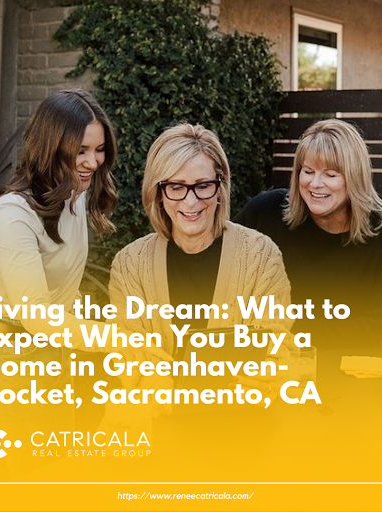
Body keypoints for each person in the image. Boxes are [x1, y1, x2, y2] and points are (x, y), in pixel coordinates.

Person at [0, 89, 167, 434]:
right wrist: (121, 340)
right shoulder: (13, 214)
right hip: (10, 367)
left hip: (55, 362)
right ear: (51, 146)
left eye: (99, 150)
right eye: (81, 150)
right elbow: (37, 315)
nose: (93, 161)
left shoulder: (74, 197)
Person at [109, 124, 295, 403]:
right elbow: (130, 362)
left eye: (203, 185)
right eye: (176, 187)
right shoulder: (130, 265)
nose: (191, 200)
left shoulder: (260, 256)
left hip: (241, 422)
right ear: (158, 192)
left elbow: (275, 349)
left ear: (220, 188)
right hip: (160, 424)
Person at [234, 119, 382, 348]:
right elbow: (220, 269)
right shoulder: (265, 212)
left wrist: (293, 337)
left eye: (330, 175)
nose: (315, 184)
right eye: (308, 171)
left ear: (355, 177)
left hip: (345, 367)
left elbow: (374, 326)